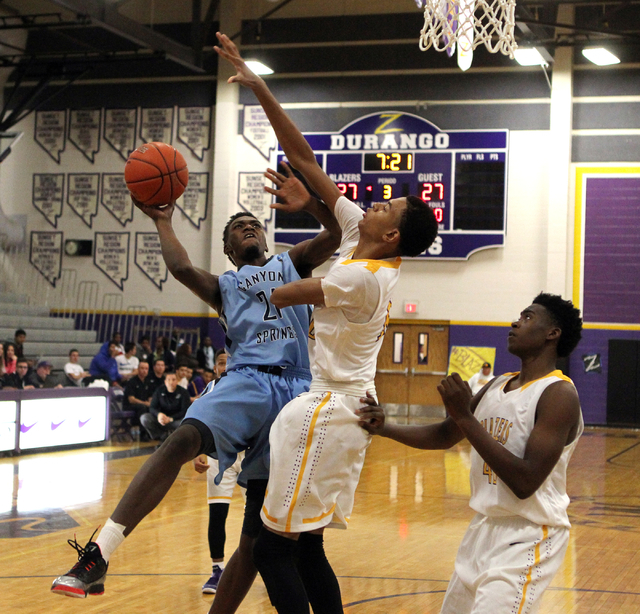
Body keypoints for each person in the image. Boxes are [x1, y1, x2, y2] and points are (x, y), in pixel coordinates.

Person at [214, 31, 439, 614]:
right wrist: (262, 88)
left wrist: (251, 272)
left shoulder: (362, 275)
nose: (375, 202)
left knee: (270, 548)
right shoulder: (359, 245)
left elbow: (286, 291)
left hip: (330, 408)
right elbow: (308, 160)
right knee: (305, 550)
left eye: (385, 207)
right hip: (336, 405)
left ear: (390, 234)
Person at [51, 158, 341, 609]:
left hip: (297, 396)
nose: (247, 229)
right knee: (180, 438)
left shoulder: (292, 263)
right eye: (237, 229)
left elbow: (338, 234)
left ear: (265, 237)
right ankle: (100, 552)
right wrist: (164, 221)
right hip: (246, 382)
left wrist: (310, 205)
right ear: (227, 249)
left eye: (253, 225)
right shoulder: (225, 285)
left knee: (254, 541)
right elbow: (182, 268)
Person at [358, 293, 584, 614]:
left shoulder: (558, 395)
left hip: (530, 533)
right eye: (520, 315)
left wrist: (465, 417)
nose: (515, 322)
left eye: (529, 317)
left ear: (553, 333)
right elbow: (444, 434)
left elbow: (525, 481)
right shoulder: (495, 385)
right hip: (482, 529)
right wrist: (385, 427)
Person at [193, 348, 245, 594]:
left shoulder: (248, 385)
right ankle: (217, 570)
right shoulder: (209, 391)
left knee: (258, 518)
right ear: (214, 368)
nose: (225, 367)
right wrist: (197, 452)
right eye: (221, 363)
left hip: (249, 458)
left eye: (229, 362)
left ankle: (262, 567)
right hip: (219, 458)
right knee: (217, 515)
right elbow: (197, 422)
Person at [140, 372, 190, 442]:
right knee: (145, 418)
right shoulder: (159, 391)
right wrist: (158, 414)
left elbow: (184, 411)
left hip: (176, 420)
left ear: (177, 381)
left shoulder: (184, 392)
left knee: (186, 424)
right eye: (169, 380)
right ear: (165, 382)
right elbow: (152, 407)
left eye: (173, 380)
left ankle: (177, 439)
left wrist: (170, 419)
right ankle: (161, 436)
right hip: (162, 419)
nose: (171, 382)